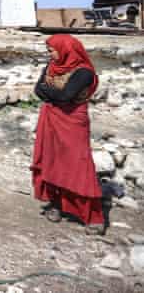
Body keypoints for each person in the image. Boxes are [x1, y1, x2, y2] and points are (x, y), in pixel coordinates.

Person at [31, 34, 104, 235]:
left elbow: (66, 96)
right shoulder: (51, 67)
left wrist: (51, 93)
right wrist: (54, 95)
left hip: (73, 121)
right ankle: (56, 205)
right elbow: (37, 90)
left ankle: (93, 217)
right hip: (51, 118)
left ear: (65, 49)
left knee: (78, 164)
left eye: (52, 50)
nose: (50, 55)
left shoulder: (84, 72)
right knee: (53, 160)